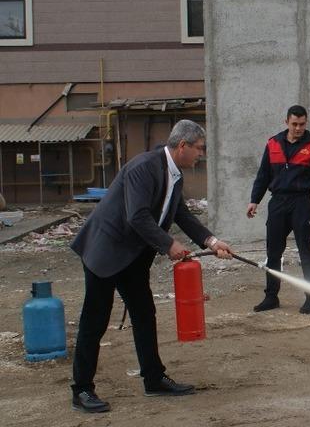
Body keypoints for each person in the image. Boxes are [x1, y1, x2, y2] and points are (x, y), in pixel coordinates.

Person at [69, 120, 235, 413]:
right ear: (182, 146)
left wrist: (211, 241)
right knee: (94, 320)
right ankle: (82, 390)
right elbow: (137, 216)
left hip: (132, 256)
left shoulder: (175, 173)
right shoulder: (144, 168)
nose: (201, 154)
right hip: (105, 252)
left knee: (144, 313)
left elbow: (181, 213)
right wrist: (169, 244)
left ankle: (153, 379)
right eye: (198, 148)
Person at [247, 104, 310, 314]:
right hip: (277, 203)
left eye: (302, 124)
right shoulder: (273, 144)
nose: (298, 128)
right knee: (273, 252)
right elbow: (263, 175)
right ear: (286, 122)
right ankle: (271, 297)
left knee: (305, 251)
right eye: (294, 124)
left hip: (301, 203)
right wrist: (254, 200)